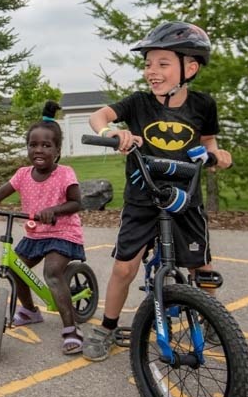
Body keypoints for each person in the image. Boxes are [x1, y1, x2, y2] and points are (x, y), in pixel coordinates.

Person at [82, 21, 233, 362]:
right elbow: (98, 116)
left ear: (189, 67)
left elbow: (208, 141)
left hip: (185, 197)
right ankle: (106, 327)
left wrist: (219, 154)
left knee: (204, 267)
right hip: (143, 196)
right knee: (124, 268)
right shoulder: (138, 103)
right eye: (148, 63)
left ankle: (210, 316)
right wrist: (113, 132)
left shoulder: (203, 105)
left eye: (162, 63)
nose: (152, 71)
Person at [0, 101, 86, 355]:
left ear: (57, 150)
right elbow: (3, 191)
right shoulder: (23, 174)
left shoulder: (65, 173)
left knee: (53, 272)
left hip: (62, 233)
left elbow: (77, 202)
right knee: (15, 269)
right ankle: (30, 311)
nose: (39, 149)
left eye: (46, 145)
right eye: (33, 144)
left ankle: (71, 329)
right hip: (35, 233)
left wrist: (54, 210)